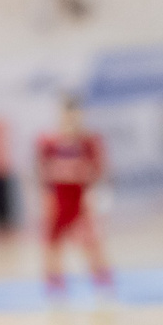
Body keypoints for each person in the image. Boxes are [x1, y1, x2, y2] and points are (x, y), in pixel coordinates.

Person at [37, 96, 113, 294]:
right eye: (67, 114)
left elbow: (98, 170)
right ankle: (54, 282)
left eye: (74, 114)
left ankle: (102, 279)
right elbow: (42, 172)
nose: (71, 118)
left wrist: (85, 179)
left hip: (80, 199)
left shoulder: (88, 141)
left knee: (90, 241)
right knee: (53, 242)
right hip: (58, 200)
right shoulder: (48, 141)